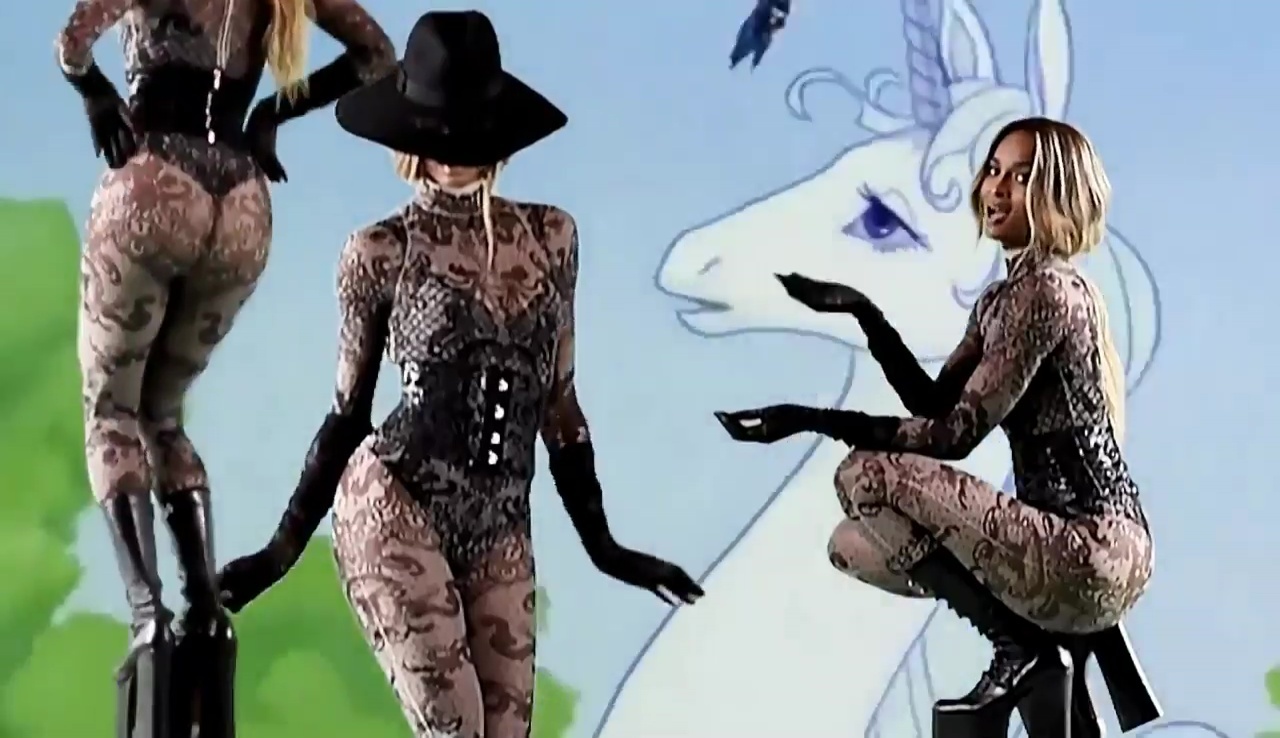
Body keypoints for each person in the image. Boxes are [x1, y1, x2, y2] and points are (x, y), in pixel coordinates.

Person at [214, 10, 705, 738]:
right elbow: (347, 414)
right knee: (457, 732)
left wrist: (607, 549)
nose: (455, 151)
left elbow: (560, 405)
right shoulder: (379, 252)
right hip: (394, 503)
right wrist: (278, 554)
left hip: (502, 517)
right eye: (441, 130)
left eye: (470, 128)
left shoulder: (553, 237)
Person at [715, 117, 1153, 733]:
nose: (996, 188)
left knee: (863, 476)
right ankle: (1024, 644)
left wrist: (809, 419)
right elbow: (933, 405)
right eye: (994, 170)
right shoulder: (1001, 299)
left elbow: (954, 437)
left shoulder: (1045, 294)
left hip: (1086, 549)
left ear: (1057, 193)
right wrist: (864, 313)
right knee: (851, 542)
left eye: (1021, 176)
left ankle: (1019, 649)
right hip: (1065, 545)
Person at [55, 0, 394, 735]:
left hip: (152, 183)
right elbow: (376, 53)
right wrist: (272, 112)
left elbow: (74, 41)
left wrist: (94, 92)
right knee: (164, 417)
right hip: (240, 203)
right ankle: (206, 616)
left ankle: (148, 618)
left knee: (112, 413)